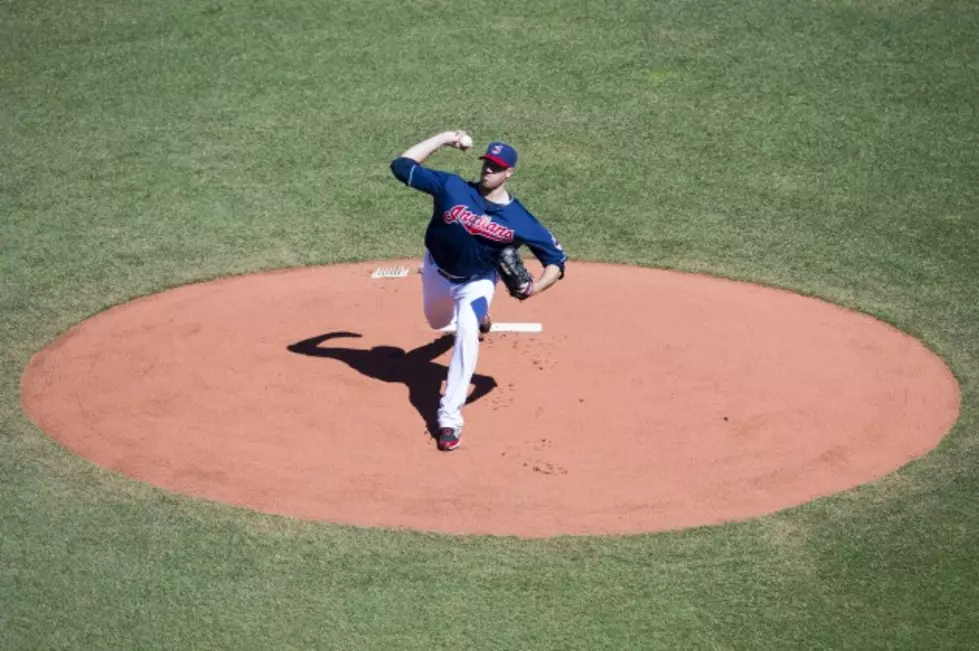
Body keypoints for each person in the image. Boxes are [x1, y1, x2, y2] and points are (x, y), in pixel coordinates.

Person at [390, 130, 567, 451]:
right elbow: (401, 166)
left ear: (508, 173)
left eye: (496, 167)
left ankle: (449, 419)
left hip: (476, 283)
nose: (488, 170)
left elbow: (556, 260)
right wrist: (444, 138)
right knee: (436, 322)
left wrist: (533, 289)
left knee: (467, 333)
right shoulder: (452, 187)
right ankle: (479, 317)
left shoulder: (521, 220)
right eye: (486, 163)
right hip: (436, 271)